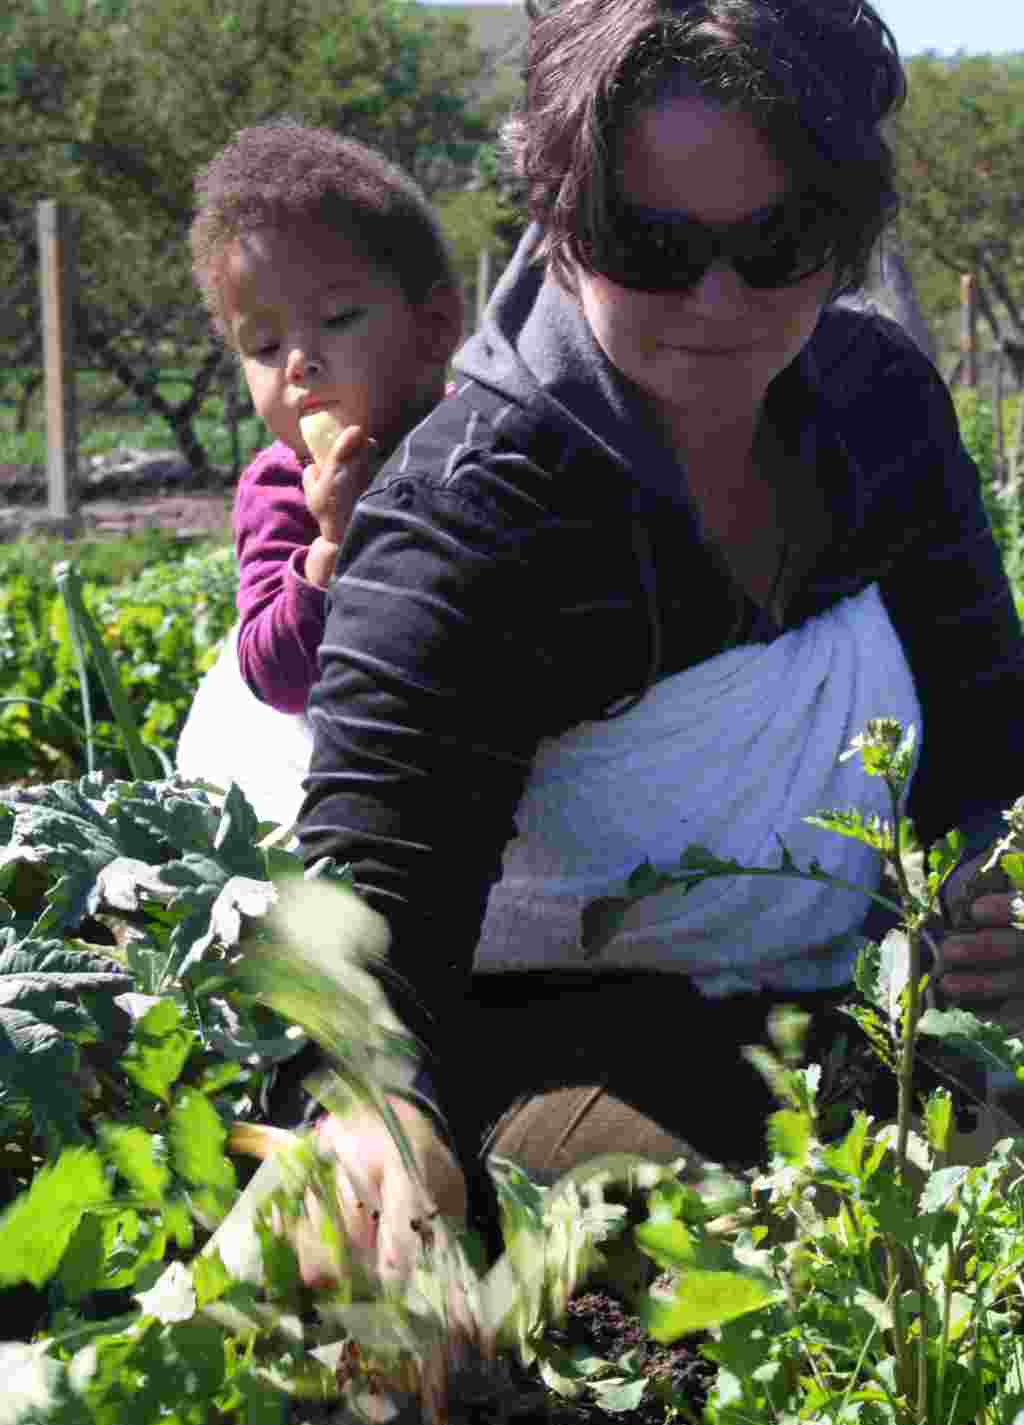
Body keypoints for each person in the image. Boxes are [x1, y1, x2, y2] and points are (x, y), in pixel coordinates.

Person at [272, 0, 1024, 1289]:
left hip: (874, 1007)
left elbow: (984, 748)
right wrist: (369, 1125)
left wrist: (990, 896)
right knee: (841, 1261)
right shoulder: (476, 517)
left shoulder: (879, 410)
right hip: (561, 1060)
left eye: (779, 239)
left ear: (842, 224)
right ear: (559, 224)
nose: (718, 299)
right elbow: (361, 939)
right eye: (649, 243)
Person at [174, 119, 463, 827]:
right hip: (344, 781)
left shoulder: (478, 440)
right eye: (265, 344)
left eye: (336, 319)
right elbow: (278, 678)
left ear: (431, 331)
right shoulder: (281, 492)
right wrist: (334, 542)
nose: (298, 362)